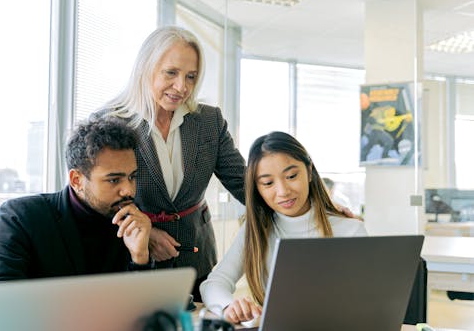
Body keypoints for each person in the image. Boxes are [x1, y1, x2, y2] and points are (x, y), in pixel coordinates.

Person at [93, 26, 247, 301]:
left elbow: (244, 182)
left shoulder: (208, 121)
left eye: (191, 76)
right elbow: (95, 199)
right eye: (171, 73)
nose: (182, 87)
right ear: (146, 68)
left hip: (196, 259)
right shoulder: (108, 122)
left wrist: (319, 207)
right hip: (131, 259)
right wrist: (147, 231)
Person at [200, 131, 367, 324]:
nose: (283, 191)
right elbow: (213, 284)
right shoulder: (255, 231)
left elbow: (372, 299)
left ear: (310, 171)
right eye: (268, 183)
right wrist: (229, 306)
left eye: (291, 176)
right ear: (257, 188)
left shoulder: (351, 230)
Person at [0, 118, 153, 285]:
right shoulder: (20, 218)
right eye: (114, 180)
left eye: (132, 177)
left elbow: (147, 309)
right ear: (76, 180)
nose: (128, 190)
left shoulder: (131, 225)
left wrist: (140, 258)